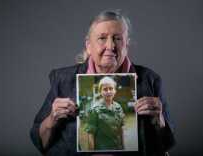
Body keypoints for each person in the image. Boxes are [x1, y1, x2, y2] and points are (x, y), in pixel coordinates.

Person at [30, 10, 176, 156]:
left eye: (117, 38)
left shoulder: (149, 80)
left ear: (127, 45)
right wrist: (52, 119)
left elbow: (167, 144)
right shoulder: (63, 80)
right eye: (102, 38)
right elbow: (40, 142)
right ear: (88, 45)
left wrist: (159, 120)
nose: (110, 46)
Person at [84, 76, 125, 151]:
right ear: (100, 92)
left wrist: (123, 147)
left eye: (111, 88)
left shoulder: (118, 107)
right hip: (102, 150)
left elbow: (121, 128)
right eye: (105, 89)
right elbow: (90, 135)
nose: (108, 92)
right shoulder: (94, 110)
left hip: (117, 148)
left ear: (115, 91)